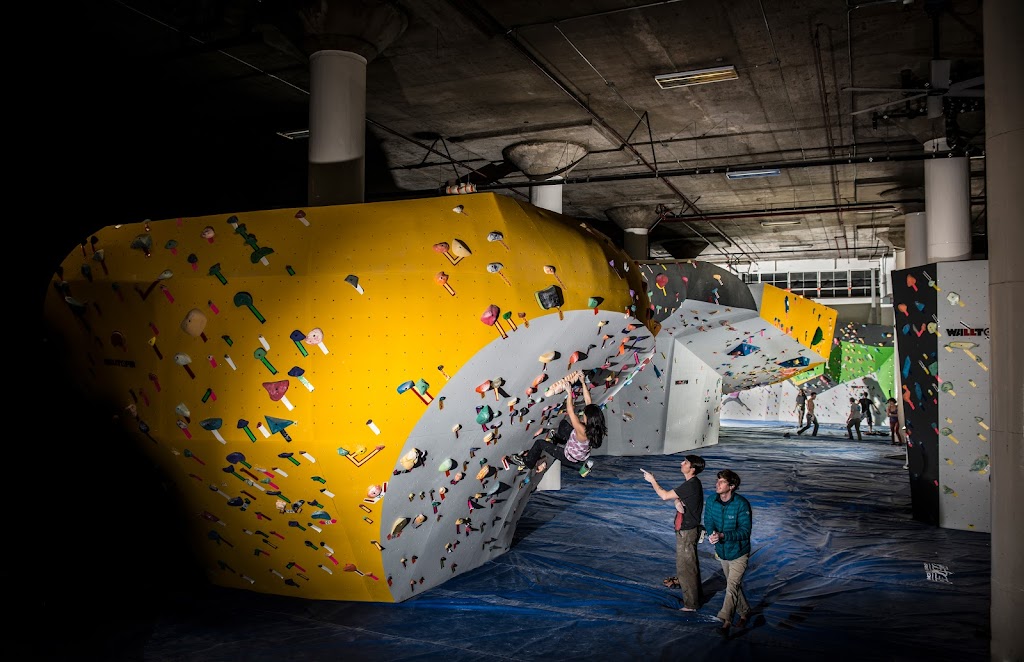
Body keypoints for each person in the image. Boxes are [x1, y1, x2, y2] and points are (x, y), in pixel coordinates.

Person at [641, 455, 706, 611]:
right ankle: (691, 592)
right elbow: (678, 498)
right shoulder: (691, 484)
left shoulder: (691, 485)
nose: (681, 463)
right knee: (686, 565)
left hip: (687, 531)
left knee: (686, 567)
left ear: (692, 468)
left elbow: (664, 495)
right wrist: (677, 501)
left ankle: (691, 604)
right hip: (685, 530)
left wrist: (652, 481)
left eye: (686, 462)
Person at [511, 371, 606, 476]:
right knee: (563, 424)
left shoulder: (582, 430)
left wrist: (569, 393)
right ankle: (557, 439)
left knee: (539, 443)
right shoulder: (596, 426)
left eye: (584, 415)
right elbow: (589, 401)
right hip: (579, 451)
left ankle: (527, 462)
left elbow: (570, 411)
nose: (583, 415)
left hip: (569, 456)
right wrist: (583, 382)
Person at [704, 469, 752, 636]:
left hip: (739, 553)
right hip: (723, 552)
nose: (717, 484)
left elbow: (745, 531)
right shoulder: (711, 501)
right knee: (734, 586)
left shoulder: (741, 504)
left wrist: (723, 535)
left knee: (731, 587)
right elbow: (708, 520)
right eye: (717, 480)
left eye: (722, 482)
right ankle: (745, 612)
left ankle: (726, 622)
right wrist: (712, 534)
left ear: (731, 486)